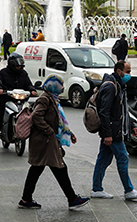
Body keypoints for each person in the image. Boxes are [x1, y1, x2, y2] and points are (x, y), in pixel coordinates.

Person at [19, 74, 90, 210]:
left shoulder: (53, 98)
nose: (63, 87)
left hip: (48, 141)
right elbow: (36, 116)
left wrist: (70, 133)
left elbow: (58, 121)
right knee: (58, 168)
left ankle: (26, 198)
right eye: (60, 84)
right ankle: (72, 199)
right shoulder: (45, 99)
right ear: (54, 85)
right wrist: (49, 131)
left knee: (39, 169)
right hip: (44, 141)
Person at [91, 61, 137, 200]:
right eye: (127, 71)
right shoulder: (111, 86)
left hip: (113, 130)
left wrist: (131, 124)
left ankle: (96, 189)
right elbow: (104, 112)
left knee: (103, 159)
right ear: (118, 71)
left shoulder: (118, 85)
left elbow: (123, 110)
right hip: (113, 132)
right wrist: (108, 134)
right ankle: (128, 190)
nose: (129, 75)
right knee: (123, 158)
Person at [0, 53, 37, 154]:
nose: (19, 67)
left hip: (21, 100)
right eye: (17, 66)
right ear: (12, 65)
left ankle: (35, 145)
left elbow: (28, 85)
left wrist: (32, 90)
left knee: (31, 118)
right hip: (7, 99)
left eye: (20, 66)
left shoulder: (23, 74)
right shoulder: (4, 73)